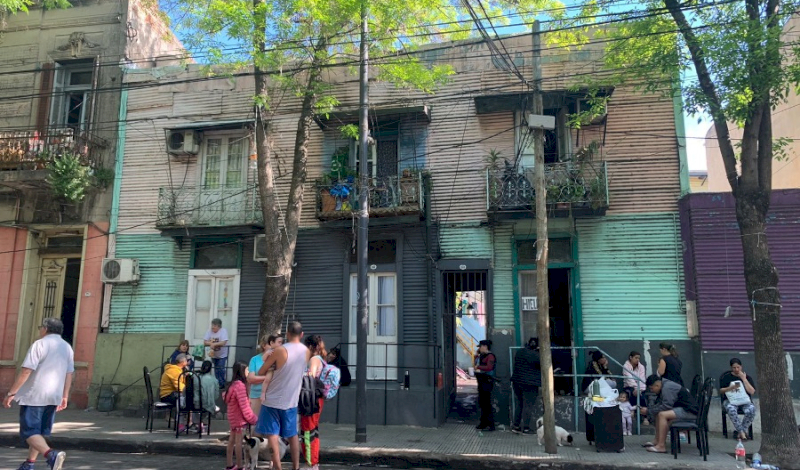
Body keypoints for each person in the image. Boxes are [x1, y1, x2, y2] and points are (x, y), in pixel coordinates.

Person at [3, 318, 73, 470]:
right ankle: (29, 463)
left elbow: (26, 370)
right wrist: (65, 395)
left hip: (34, 395)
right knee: (39, 432)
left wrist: (11, 393)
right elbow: (69, 374)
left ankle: (51, 455)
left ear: (45, 329)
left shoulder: (39, 344)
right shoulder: (67, 347)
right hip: (53, 396)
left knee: (29, 431)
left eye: (41, 327)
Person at [256, 321, 310, 470]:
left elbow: (261, 371)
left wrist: (270, 362)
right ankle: (296, 466)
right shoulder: (306, 351)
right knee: (292, 435)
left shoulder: (280, 350)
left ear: (287, 334)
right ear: (301, 334)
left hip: (272, 399)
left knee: (272, 435)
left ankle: (278, 467)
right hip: (292, 400)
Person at [641, 375, 699, 453]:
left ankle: (661, 446)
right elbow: (661, 405)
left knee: (662, 415)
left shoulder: (667, 388)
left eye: (652, 388)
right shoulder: (664, 385)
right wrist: (650, 409)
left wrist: (648, 411)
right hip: (684, 409)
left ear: (657, 385)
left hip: (689, 411)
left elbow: (666, 406)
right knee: (659, 413)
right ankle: (657, 440)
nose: (652, 391)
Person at [225, 362, 258, 470]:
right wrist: (253, 419)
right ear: (242, 371)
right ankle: (239, 466)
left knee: (231, 441)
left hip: (233, 417)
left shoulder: (233, 384)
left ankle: (229, 464)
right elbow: (244, 406)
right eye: (247, 370)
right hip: (239, 419)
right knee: (239, 443)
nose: (248, 372)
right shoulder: (240, 386)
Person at [301, 335, 327, 470]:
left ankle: (310, 463)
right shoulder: (320, 359)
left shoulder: (314, 359)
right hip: (316, 398)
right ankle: (313, 462)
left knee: (307, 431)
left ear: (311, 347)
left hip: (310, 399)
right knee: (313, 430)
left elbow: (311, 375)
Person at [719, 358, 757, 441]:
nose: (736, 369)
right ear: (731, 368)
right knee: (731, 409)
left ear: (741, 367)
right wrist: (730, 388)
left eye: (738, 367)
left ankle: (739, 431)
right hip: (730, 401)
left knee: (751, 409)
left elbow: (752, 391)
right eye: (734, 368)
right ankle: (742, 433)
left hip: (744, 401)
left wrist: (744, 379)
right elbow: (721, 391)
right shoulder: (726, 377)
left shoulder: (747, 377)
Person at [510, 337, 541, 434]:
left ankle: (516, 425)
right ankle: (526, 428)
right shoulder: (536, 355)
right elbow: (542, 365)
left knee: (520, 403)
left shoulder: (520, 352)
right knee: (528, 406)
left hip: (517, 382)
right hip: (530, 384)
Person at [249, 334, 283, 416]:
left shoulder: (280, 357)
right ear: (264, 345)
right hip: (256, 395)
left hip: (273, 395)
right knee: (254, 422)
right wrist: (269, 378)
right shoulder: (255, 359)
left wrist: (261, 378)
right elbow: (251, 379)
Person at [474, 339, 496, 431]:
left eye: (481, 347)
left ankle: (490, 423)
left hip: (487, 381)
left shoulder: (490, 356)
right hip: (481, 381)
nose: (479, 349)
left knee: (486, 403)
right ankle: (483, 422)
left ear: (485, 347)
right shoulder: (481, 356)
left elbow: (489, 367)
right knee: (482, 403)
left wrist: (478, 367)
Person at [204, 318, 229, 389]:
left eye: (214, 325)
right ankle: (218, 383)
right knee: (216, 369)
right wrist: (210, 343)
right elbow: (205, 342)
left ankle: (222, 383)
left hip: (222, 355)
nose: (212, 327)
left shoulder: (223, 331)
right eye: (212, 325)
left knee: (221, 368)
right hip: (214, 354)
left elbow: (224, 342)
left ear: (219, 326)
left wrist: (214, 344)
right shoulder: (209, 331)